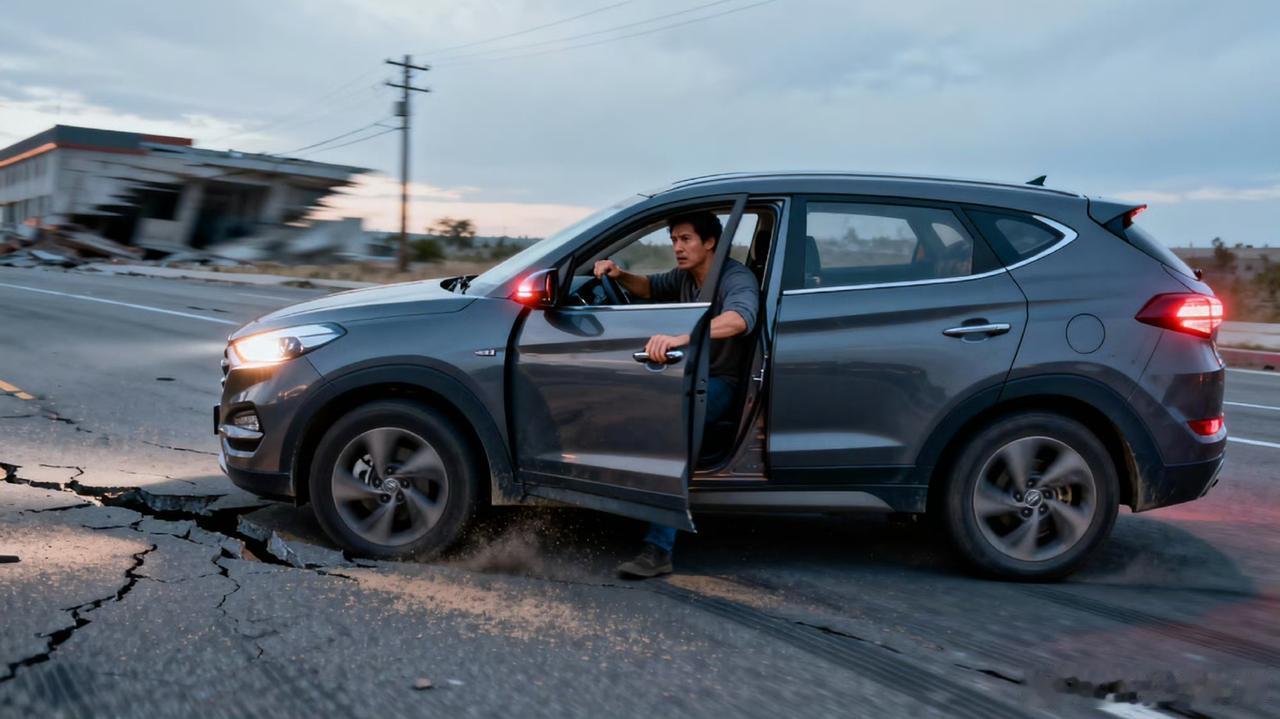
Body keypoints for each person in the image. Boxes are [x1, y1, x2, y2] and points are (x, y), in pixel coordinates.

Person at [592, 210, 759, 579]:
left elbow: (741, 318)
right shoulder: (686, 277)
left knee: (666, 431)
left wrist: (684, 336)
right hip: (691, 375)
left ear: (710, 241)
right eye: (673, 241)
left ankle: (658, 548)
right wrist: (619, 274)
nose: (677, 248)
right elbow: (650, 288)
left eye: (685, 239)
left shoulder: (735, 278)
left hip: (721, 383)